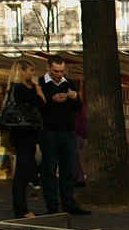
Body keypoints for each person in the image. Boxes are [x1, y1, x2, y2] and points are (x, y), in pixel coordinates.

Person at [38, 55, 90, 215]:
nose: (59, 74)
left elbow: (78, 107)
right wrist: (51, 100)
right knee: (50, 170)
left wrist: (75, 99)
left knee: (68, 170)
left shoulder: (68, 83)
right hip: (49, 131)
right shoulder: (41, 84)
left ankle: (69, 203)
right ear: (48, 68)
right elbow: (38, 107)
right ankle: (52, 205)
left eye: (61, 71)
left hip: (68, 131)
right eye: (56, 71)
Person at [5, 59, 46, 219]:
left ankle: (20, 207)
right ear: (22, 71)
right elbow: (41, 103)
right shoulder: (21, 89)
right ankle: (21, 209)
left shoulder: (12, 89)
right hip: (24, 134)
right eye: (31, 71)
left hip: (19, 134)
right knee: (22, 171)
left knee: (22, 171)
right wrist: (37, 86)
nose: (34, 74)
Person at [73, 98, 87, 187]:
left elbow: (84, 123)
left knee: (73, 154)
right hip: (75, 133)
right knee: (75, 156)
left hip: (78, 134)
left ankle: (75, 177)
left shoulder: (81, 109)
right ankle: (80, 178)